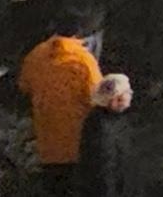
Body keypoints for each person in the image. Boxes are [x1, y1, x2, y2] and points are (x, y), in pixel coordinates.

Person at [21, 23, 104, 193]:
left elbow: (24, 86)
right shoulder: (84, 59)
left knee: (54, 188)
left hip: (47, 142)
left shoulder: (35, 55)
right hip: (78, 142)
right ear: (78, 35)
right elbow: (97, 96)